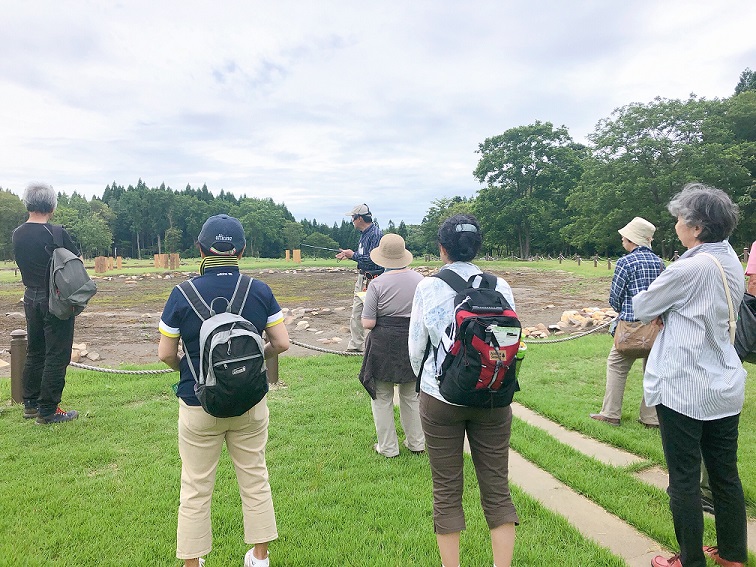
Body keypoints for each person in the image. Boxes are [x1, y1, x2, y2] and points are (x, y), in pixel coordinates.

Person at [158, 214, 289, 567]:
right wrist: (254, 360)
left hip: (197, 401)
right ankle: (259, 558)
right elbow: (282, 342)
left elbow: (166, 353)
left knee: (196, 487)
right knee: (255, 478)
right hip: (250, 402)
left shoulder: (182, 293)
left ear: (200, 249)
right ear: (241, 251)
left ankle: (193, 562)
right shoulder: (258, 290)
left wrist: (187, 369)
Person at [632, 184, 747, 567]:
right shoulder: (729, 257)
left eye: (681, 219)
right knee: (725, 475)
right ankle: (732, 554)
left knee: (683, 478)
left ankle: (690, 559)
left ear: (697, 227)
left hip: (684, 384)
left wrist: (666, 311)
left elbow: (644, 305)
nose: (677, 225)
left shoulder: (689, 266)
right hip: (724, 382)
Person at [409, 214, 518, 567]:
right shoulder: (501, 286)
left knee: (446, 489)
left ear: (442, 248)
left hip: (441, 398)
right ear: (478, 247)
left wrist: (431, 380)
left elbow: (416, 349)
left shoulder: (428, 287)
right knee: (497, 489)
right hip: (493, 395)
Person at [12, 183, 80, 424]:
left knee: (35, 350)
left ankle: (30, 403)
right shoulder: (57, 233)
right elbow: (75, 262)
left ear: (27, 203)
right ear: (52, 205)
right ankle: (49, 410)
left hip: (30, 296)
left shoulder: (17, 233)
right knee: (57, 354)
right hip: (55, 298)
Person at [590, 217, 665, 428]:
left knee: (616, 365)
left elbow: (615, 297)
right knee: (652, 371)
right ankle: (650, 418)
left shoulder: (625, 262)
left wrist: (621, 309)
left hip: (629, 328)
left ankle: (611, 413)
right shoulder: (660, 263)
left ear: (631, 239)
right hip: (655, 329)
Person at [358, 234, 425, 457]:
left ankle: (387, 447)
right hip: (413, 342)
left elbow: (368, 323)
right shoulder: (421, 280)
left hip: (383, 343)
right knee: (411, 395)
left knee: (382, 397)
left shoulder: (377, 284)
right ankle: (416, 443)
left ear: (382, 257)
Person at [335, 204, 384, 352]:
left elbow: (373, 259)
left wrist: (353, 255)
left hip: (373, 279)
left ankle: (376, 347)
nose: (351, 220)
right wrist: (349, 255)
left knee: (375, 314)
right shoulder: (364, 234)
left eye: (353, 217)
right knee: (356, 313)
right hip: (363, 278)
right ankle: (355, 347)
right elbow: (363, 257)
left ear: (360, 218)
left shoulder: (375, 234)